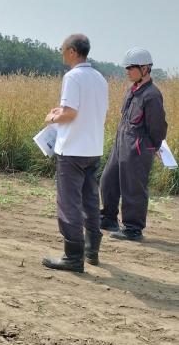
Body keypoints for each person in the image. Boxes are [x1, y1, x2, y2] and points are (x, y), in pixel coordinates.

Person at [42, 34, 108, 273]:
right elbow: (91, 109)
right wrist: (62, 110)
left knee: (69, 202)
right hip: (93, 148)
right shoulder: (100, 78)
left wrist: (52, 117)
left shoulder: (72, 77)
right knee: (90, 200)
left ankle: (73, 257)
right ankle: (92, 250)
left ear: (72, 51)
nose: (61, 53)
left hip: (71, 149)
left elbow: (70, 114)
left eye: (62, 49)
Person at [100, 48, 167, 241]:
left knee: (133, 187)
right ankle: (108, 218)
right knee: (108, 180)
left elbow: (158, 127)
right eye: (127, 67)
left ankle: (133, 228)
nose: (127, 71)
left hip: (138, 148)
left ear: (145, 68)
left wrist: (152, 147)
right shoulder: (132, 90)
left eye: (131, 67)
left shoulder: (152, 95)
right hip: (121, 143)